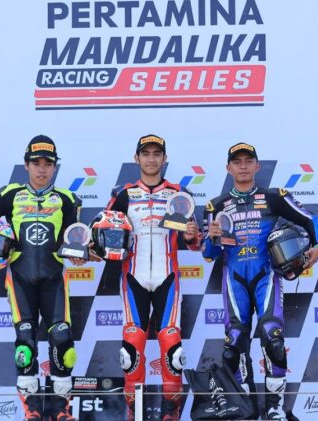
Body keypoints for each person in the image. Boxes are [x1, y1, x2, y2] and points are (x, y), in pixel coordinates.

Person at [0, 135, 84, 421]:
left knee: (63, 343)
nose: (42, 169)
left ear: (55, 166)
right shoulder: (11, 194)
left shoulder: (67, 199)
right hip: (20, 279)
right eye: (36, 163)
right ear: (26, 165)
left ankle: (61, 409)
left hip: (54, 279)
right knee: (25, 343)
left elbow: (76, 237)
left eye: (48, 164)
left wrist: (85, 252)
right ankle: (31, 410)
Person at [201, 142, 318, 421]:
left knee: (273, 339)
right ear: (228, 168)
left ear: (257, 166)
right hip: (234, 280)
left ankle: (274, 408)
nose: (243, 166)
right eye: (237, 162)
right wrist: (211, 237)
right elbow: (209, 255)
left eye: (248, 161)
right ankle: (245, 409)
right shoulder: (215, 205)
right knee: (234, 344)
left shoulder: (274, 197)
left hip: (266, 277)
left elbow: (311, 220)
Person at [102, 134, 202, 421]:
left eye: (157, 153)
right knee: (132, 343)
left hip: (167, 277)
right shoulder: (124, 194)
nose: (151, 159)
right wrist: (93, 249)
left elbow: (195, 242)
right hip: (132, 277)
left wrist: (191, 237)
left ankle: (172, 412)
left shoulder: (178, 193)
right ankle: (134, 411)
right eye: (146, 153)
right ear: (137, 158)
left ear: (164, 158)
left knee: (171, 344)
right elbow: (104, 233)